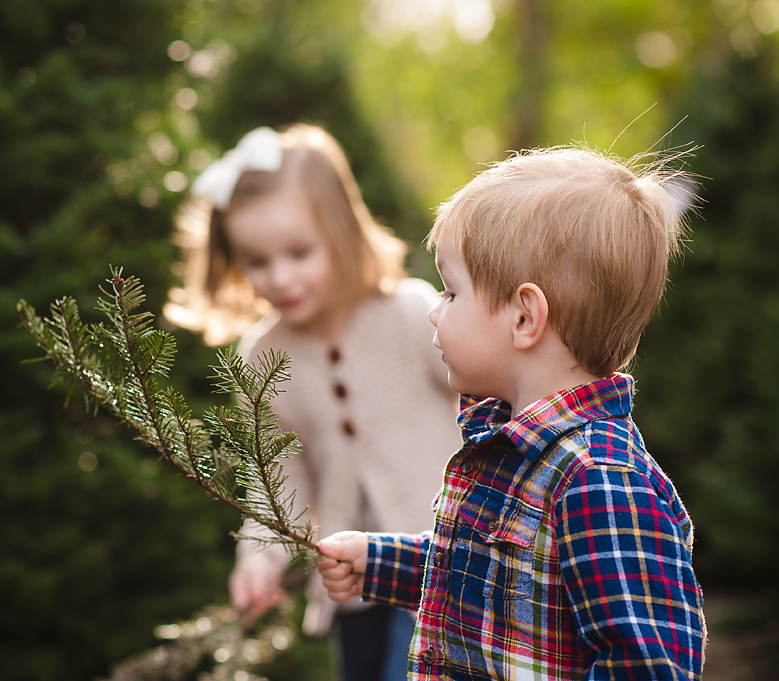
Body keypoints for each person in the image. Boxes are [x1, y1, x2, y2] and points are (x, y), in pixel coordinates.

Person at [316, 146, 707, 680]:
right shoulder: (510, 446)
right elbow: (495, 581)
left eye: (452, 292)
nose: (434, 309)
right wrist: (379, 563)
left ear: (525, 317)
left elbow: (647, 666)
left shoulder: (598, 483)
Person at [164, 124, 462, 680]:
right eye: (256, 261)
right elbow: (282, 477)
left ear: (343, 231)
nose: (280, 277)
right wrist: (260, 557)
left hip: (444, 565)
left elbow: (488, 406)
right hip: (352, 581)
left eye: (300, 252)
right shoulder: (264, 355)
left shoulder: (410, 315)